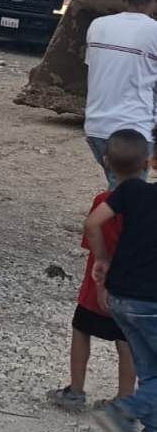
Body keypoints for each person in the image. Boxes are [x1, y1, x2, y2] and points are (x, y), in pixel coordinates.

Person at [47, 130, 142, 412]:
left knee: (81, 329)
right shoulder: (146, 205)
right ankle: (124, 399)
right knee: (126, 340)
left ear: (106, 161)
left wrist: (101, 274)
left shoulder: (103, 202)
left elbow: (91, 238)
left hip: (96, 286)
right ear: (145, 164)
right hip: (131, 289)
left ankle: (75, 391)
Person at [84, 126, 157, 432]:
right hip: (152, 301)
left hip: (121, 296)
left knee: (152, 374)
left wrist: (101, 259)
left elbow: (93, 223)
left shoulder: (131, 191)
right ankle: (123, 411)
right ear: (146, 161)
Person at [83, 0, 157, 187]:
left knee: (120, 189)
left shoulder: (97, 25)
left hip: (96, 127)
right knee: (128, 195)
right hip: (134, 131)